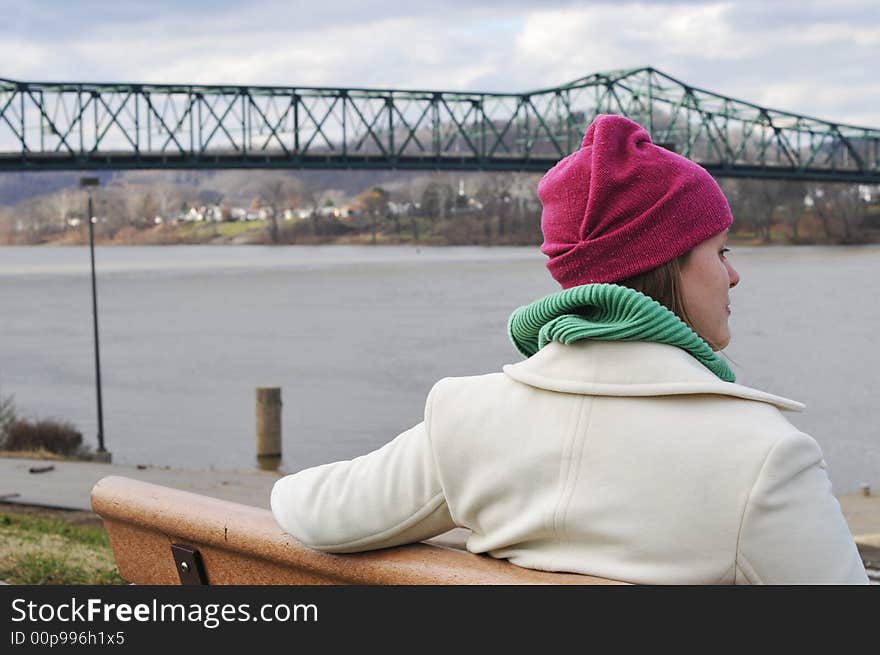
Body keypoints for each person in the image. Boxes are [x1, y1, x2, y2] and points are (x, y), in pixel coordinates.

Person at [270, 114, 868, 584]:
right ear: (666, 266)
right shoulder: (765, 457)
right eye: (720, 251)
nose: (733, 276)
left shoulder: (466, 420)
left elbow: (310, 509)